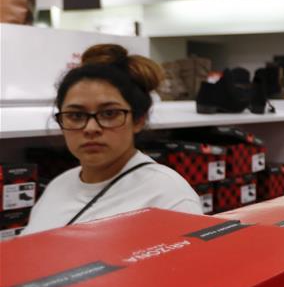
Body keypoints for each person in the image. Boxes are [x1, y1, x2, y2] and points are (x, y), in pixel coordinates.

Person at [22, 44, 202, 235]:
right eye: (76, 115)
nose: (91, 128)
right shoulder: (57, 186)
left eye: (109, 113)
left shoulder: (168, 196)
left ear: (139, 120)